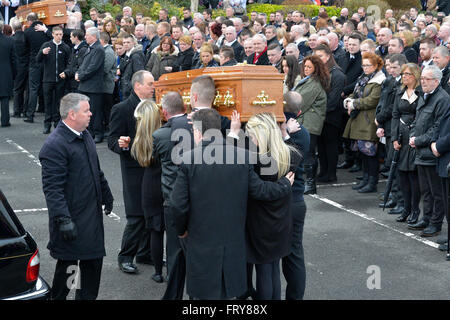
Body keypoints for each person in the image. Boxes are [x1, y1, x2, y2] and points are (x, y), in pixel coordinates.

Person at [170, 108, 295, 300]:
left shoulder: (189, 159)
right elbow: (260, 190)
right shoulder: (242, 157)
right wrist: (285, 184)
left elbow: (178, 204)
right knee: (228, 291)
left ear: (197, 132)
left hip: (201, 238)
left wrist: (181, 230)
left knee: (204, 293)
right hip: (233, 237)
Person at [39, 93, 114, 300]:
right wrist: (63, 220)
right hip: (72, 222)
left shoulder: (85, 135)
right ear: (72, 114)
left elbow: (96, 170)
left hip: (91, 220)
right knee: (70, 269)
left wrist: (107, 195)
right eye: (86, 111)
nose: (91, 114)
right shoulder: (55, 145)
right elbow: (53, 189)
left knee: (91, 266)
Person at [244, 112, 301, 300]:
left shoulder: (255, 160)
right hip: (281, 219)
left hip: (260, 221)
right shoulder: (289, 154)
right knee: (273, 269)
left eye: (251, 135)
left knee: (263, 271)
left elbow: (258, 190)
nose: (249, 140)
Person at [108, 70, 155, 274]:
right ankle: (125, 256)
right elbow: (112, 140)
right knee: (136, 216)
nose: (154, 87)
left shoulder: (155, 107)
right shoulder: (122, 109)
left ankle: (145, 254)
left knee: (150, 214)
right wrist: (122, 145)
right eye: (150, 84)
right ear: (138, 86)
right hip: (134, 170)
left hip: (153, 168)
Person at [152, 92, 190, 299]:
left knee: (175, 251)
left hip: (172, 198)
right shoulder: (197, 127)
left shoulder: (160, 135)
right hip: (196, 197)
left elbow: (151, 159)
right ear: (184, 108)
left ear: (164, 112)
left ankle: (173, 295)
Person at [408, 65, 449, 237]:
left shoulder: (442, 99)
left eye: (427, 79)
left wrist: (418, 140)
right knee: (425, 189)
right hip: (421, 152)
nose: (422, 81)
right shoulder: (424, 96)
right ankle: (427, 218)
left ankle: (435, 223)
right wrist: (412, 135)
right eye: (422, 78)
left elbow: (437, 128)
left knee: (436, 192)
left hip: (431, 152)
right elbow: (417, 121)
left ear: (437, 81)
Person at [130, 100, 165, 283]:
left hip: (149, 187)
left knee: (156, 232)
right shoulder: (163, 135)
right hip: (164, 185)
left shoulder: (140, 138)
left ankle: (158, 271)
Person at [343, 52, 386, 193]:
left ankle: (372, 182)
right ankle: (366, 179)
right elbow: (355, 93)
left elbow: (372, 100)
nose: (365, 68)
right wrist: (349, 100)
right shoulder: (363, 78)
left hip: (369, 120)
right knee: (363, 152)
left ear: (376, 65)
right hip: (359, 119)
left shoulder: (379, 80)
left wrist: (354, 103)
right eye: (364, 65)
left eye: (368, 65)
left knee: (370, 153)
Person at [391, 63, 422, 224]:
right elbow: (395, 115)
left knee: (413, 175)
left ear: (415, 75)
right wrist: (395, 138)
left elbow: (423, 116)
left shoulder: (421, 93)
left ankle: (415, 210)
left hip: (415, 136)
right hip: (401, 135)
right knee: (402, 173)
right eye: (403, 74)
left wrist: (415, 136)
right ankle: (406, 208)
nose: (404, 76)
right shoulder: (399, 92)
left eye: (408, 74)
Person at [293, 55, 329, 195]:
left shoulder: (313, 83)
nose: (306, 69)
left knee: (308, 154)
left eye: (309, 67)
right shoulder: (308, 81)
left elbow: (300, 102)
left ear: (316, 69)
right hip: (305, 122)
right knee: (304, 153)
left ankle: (310, 183)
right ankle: (306, 181)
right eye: (305, 67)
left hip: (310, 123)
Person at [314, 44, 346, 183]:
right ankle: (323, 171)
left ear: (328, 56)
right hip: (321, 115)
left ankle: (331, 174)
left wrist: (318, 109)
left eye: (320, 56)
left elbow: (333, 100)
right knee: (321, 146)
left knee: (330, 146)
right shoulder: (320, 72)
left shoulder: (337, 74)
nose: (318, 59)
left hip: (332, 117)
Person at [37, 26, 71, 134]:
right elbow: (37, 60)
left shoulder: (65, 47)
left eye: (60, 34)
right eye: (57, 34)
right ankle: (47, 124)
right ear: (52, 34)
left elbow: (69, 63)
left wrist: (66, 72)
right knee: (48, 102)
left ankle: (57, 124)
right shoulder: (46, 45)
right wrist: (42, 53)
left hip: (60, 80)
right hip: (47, 79)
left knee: (58, 102)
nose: (59, 36)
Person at [75, 27, 105, 143]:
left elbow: (93, 67)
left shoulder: (98, 49)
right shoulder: (91, 48)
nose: (85, 37)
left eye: (87, 35)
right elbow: (84, 65)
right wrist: (78, 73)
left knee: (95, 112)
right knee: (86, 111)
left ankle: (98, 133)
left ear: (94, 36)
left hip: (93, 87)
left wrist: (81, 76)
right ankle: (89, 132)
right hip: (86, 85)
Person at [23, 12, 51, 124]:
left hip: (34, 62)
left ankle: (30, 115)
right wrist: (45, 30)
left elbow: (25, 47)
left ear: (30, 21)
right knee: (46, 87)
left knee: (33, 89)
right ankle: (45, 110)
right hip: (46, 62)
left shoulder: (28, 32)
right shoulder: (45, 29)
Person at [10, 18, 28, 119]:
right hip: (27, 66)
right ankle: (25, 110)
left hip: (17, 67)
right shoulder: (26, 37)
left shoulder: (12, 39)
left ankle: (17, 111)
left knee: (17, 89)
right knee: (27, 90)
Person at [119, 33, 146, 99]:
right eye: (124, 42)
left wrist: (131, 87)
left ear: (133, 43)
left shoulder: (136, 56)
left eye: (128, 42)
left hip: (132, 90)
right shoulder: (126, 55)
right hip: (126, 88)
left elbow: (139, 73)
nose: (125, 44)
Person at [0, 20, 16, 128]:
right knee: (5, 98)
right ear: (2, 28)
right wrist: (14, 73)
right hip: (5, 72)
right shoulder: (9, 41)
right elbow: (14, 60)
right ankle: (5, 121)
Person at [62, 29, 88, 94]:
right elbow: (70, 63)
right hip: (71, 80)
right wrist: (66, 72)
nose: (70, 38)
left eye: (71, 37)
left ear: (76, 37)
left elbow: (79, 66)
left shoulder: (83, 50)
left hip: (77, 82)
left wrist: (67, 73)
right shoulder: (74, 48)